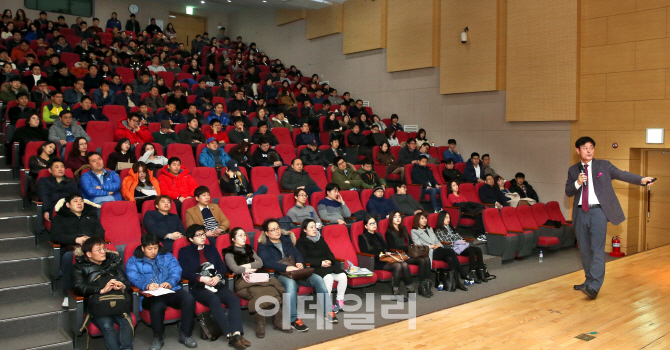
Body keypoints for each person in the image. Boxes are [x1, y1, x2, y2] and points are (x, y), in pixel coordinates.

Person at [566, 137, 655, 299]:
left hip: (598, 212)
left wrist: (641, 180)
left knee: (597, 249)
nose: (589, 150)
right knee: (584, 251)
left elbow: (621, 174)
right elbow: (568, 191)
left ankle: (594, 286)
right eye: (585, 148)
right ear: (578, 151)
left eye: (591, 147)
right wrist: (577, 183)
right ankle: (588, 280)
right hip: (580, 213)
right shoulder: (573, 170)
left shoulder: (603, 165)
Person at [256, 219, 337, 331]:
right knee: (290, 284)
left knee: (318, 279)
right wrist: (286, 268)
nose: (277, 231)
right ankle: (293, 319)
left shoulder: (286, 240)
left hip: (295, 271)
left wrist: (300, 262)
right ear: (266, 233)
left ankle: (328, 311)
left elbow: (297, 254)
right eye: (273, 230)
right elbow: (266, 262)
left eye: (278, 228)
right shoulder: (263, 245)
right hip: (278, 274)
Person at [177, 225, 249, 349]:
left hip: (215, 283)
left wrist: (218, 277)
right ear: (190, 238)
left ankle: (237, 334)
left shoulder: (211, 248)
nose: (202, 237)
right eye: (198, 235)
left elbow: (222, 267)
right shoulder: (184, 251)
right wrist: (200, 278)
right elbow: (183, 272)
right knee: (214, 300)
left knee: (233, 299)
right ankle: (230, 335)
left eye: (203, 234)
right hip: (198, 286)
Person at [125, 234, 198, 349]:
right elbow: (133, 278)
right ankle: (158, 337)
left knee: (189, 299)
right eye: (150, 249)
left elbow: (176, 271)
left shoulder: (166, 256)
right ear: (143, 248)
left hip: (169, 290)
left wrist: (170, 282)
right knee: (158, 306)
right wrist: (147, 285)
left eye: (155, 248)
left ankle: (186, 334)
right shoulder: (133, 261)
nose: (153, 251)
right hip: (149, 295)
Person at [223, 228, 291, 337]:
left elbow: (260, 263)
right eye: (240, 235)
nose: (244, 237)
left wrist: (246, 266)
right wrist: (249, 267)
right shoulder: (229, 253)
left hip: (256, 277)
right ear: (233, 239)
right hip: (242, 281)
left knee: (273, 288)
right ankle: (260, 324)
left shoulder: (249, 249)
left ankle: (278, 321)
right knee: (257, 293)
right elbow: (235, 269)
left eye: (244, 235)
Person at [72, 237, 134, 350]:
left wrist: (123, 285)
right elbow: (78, 287)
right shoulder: (79, 267)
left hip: (118, 301)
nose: (103, 252)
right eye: (98, 249)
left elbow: (126, 282)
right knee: (107, 325)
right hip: (98, 304)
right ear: (89, 254)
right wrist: (101, 290)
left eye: (104, 249)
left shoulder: (113, 263)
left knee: (126, 322)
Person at [51, 193, 105, 307]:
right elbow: (56, 235)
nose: (79, 203)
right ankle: (67, 294)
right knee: (68, 257)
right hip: (73, 247)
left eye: (81, 201)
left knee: (111, 254)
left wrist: (91, 240)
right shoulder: (60, 217)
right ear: (68, 205)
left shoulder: (91, 215)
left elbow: (101, 232)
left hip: (92, 246)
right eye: (75, 201)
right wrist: (75, 239)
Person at [296, 219, 348, 313]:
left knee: (343, 276)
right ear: (304, 230)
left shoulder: (320, 239)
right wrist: (320, 263)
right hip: (314, 268)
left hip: (326, 266)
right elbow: (304, 259)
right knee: (328, 278)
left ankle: (339, 301)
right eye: (311, 227)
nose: (314, 229)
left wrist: (329, 260)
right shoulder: (300, 242)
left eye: (315, 227)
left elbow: (329, 253)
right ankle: (326, 304)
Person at [359, 215, 415, 301]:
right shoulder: (363, 237)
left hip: (386, 258)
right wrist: (380, 254)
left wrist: (387, 252)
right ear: (366, 226)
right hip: (375, 261)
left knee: (404, 264)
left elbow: (387, 248)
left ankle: (410, 289)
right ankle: (395, 293)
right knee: (398, 266)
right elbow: (366, 252)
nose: (374, 225)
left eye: (375, 223)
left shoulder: (379, 235)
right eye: (371, 224)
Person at [411, 212, 473, 287]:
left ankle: (457, 282)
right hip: (428, 251)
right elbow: (418, 245)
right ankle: (462, 272)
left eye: (425, 218)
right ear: (417, 220)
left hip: (437, 249)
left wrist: (439, 244)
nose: (425, 220)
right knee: (450, 251)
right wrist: (431, 246)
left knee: (450, 259)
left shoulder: (429, 228)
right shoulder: (414, 231)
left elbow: (437, 240)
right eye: (422, 218)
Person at [384, 211, 433, 297]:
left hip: (409, 253)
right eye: (395, 217)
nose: (398, 218)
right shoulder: (389, 232)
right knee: (422, 260)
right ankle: (422, 287)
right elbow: (393, 247)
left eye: (399, 216)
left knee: (426, 258)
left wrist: (412, 246)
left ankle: (425, 285)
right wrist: (408, 248)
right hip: (399, 255)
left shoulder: (404, 229)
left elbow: (410, 241)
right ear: (391, 219)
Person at [434, 211, 488, 284]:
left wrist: (461, 241)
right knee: (471, 251)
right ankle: (472, 273)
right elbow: (445, 241)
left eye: (449, 218)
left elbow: (458, 237)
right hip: (453, 248)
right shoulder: (439, 230)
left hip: (460, 246)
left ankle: (481, 272)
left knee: (478, 250)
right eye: (446, 218)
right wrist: (458, 242)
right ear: (441, 219)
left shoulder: (451, 228)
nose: (448, 219)